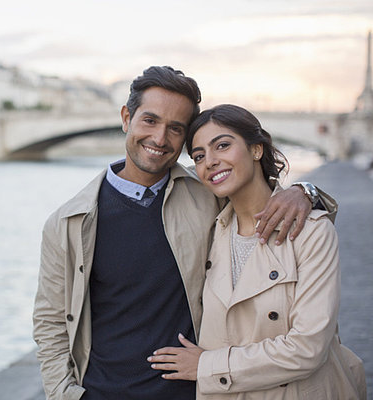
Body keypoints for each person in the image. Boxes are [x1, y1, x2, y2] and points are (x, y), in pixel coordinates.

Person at [32, 66, 336, 400]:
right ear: (126, 118)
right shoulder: (69, 222)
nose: (160, 139)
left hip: (195, 390)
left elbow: (256, 194)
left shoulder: (207, 196)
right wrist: (64, 394)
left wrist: (306, 192)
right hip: (102, 392)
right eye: (150, 120)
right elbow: (50, 321)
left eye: (175, 129)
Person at [149, 104, 366, 399]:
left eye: (222, 145)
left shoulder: (311, 231)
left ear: (256, 150)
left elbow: (308, 348)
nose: (210, 162)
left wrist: (206, 365)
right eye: (198, 156)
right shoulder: (208, 230)